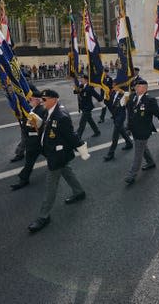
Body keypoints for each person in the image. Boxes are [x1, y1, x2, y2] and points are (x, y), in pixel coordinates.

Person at [27, 89, 90, 233]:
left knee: (51, 186)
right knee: (67, 172)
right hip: (52, 151)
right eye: (42, 99)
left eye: (45, 99)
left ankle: (43, 216)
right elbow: (46, 126)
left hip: (58, 155)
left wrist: (81, 148)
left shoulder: (61, 116)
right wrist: (37, 122)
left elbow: (71, 135)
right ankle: (79, 192)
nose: (42, 102)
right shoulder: (48, 110)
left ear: (54, 99)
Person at [124, 78, 159, 185]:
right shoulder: (132, 96)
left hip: (143, 130)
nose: (136, 88)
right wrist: (128, 126)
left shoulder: (150, 100)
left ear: (145, 89)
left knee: (138, 152)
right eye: (136, 86)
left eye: (139, 86)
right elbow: (129, 112)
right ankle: (150, 162)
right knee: (143, 147)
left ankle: (131, 175)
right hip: (134, 129)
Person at [10, 89, 47, 190]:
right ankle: (24, 179)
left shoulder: (40, 110)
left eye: (31, 99)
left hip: (36, 140)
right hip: (33, 141)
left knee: (30, 161)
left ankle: (24, 179)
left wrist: (25, 127)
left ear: (38, 100)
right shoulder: (33, 109)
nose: (29, 100)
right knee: (32, 161)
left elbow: (36, 126)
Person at [102, 83, 133, 162]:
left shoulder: (124, 95)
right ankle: (129, 143)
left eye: (114, 85)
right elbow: (108, 103)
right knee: (122, 130)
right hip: (115, 116)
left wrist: (122, 92)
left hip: (120, 117)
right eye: (112, 84)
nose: (112, 86)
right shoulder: (112, 93)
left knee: (115, 136)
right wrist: (105, 97)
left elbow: (126, 100)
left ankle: (111, 154)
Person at [74, 74, 103, 138]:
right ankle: (97, 132)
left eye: (82, 79)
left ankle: (78, 137)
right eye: (80, 78)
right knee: (90, 120)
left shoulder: (89, 87)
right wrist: (76, 87)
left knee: (82, 123)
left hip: (87, 107)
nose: (81, 80)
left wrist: (102, 99)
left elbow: (96, 95)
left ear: (86, 80)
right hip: (83, 106)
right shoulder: (81, 86)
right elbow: (75, 92)